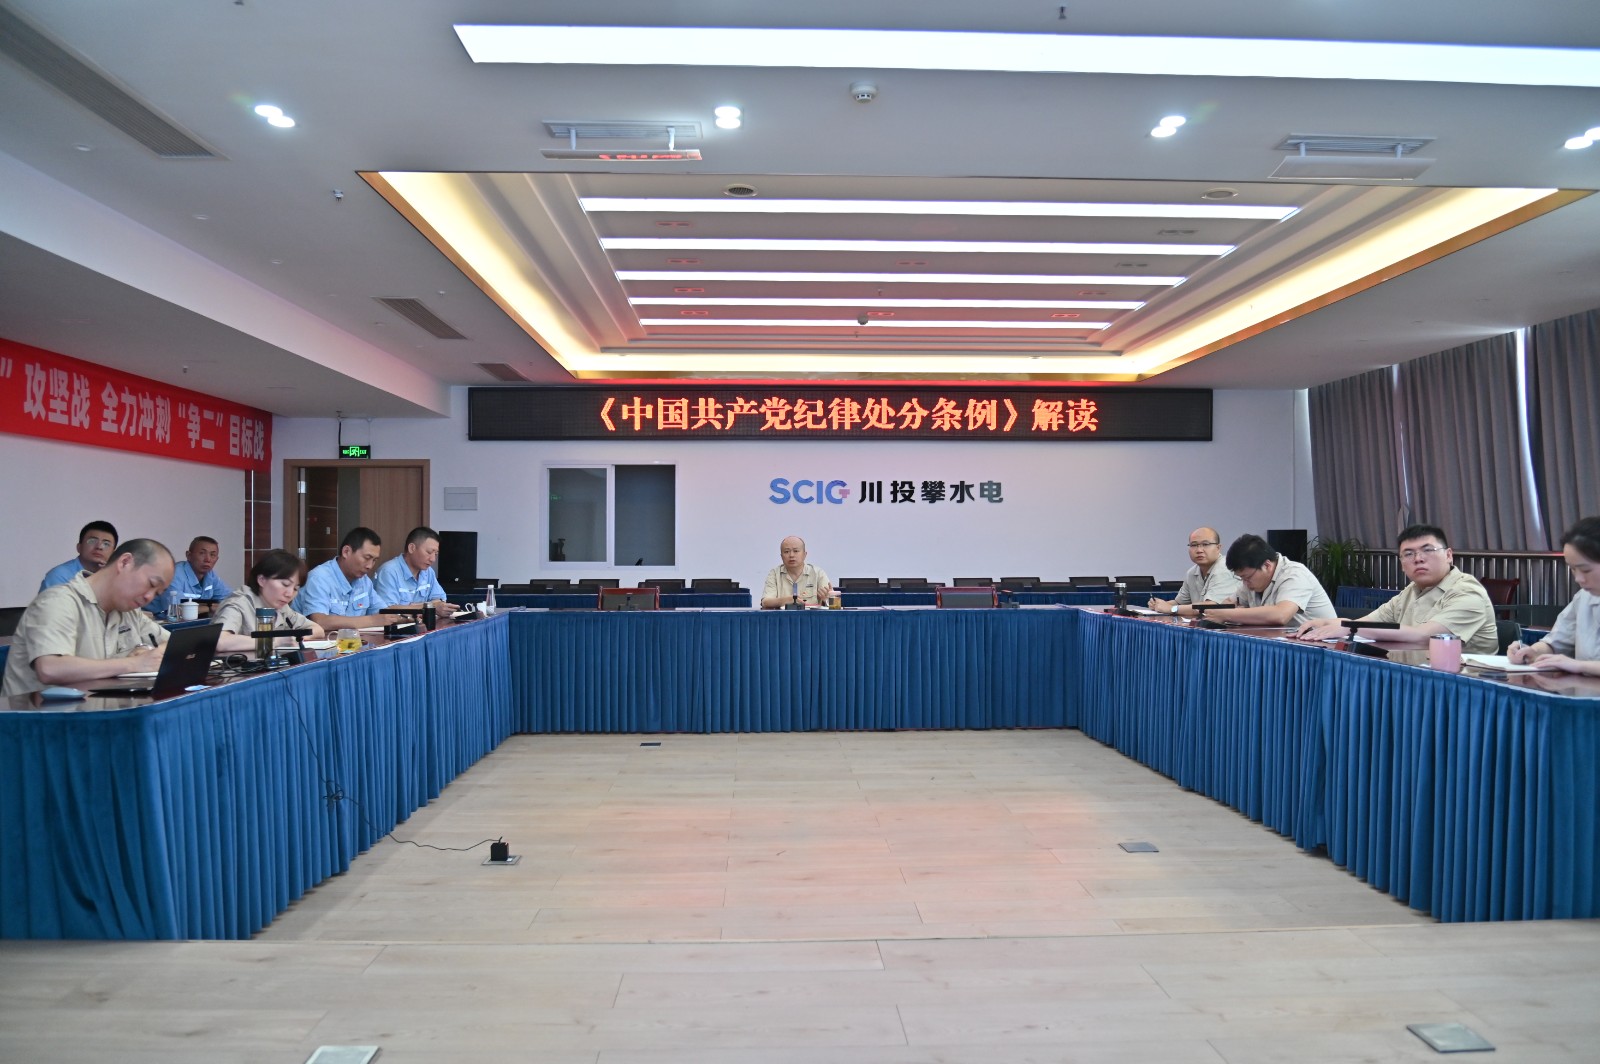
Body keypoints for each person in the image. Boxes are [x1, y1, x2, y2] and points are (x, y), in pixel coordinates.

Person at [1293, 524, 1497, 652]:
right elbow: (1367, 623)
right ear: (1401, 563)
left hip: (1465, 686)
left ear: (1449, 555)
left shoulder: (1467, 591)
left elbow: (1424, 636)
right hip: (1415, 674)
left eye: (1428, 550)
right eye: (1408, 554)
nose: (1418, 559)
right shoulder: (1411, 591)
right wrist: (1325, 622)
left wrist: (1349, 627)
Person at [1508, 516, 1600, 676]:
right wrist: (1532, 651)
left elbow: (1574, 664)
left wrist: (1581, 666)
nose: (1578, 579)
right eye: (1573, 569)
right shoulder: (1584, 598)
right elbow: (1556, 643)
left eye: (1585, 570)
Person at [292, 526, 407, 632]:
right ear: (346, 552)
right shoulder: (319, 578)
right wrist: (372, 620)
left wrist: (410, 617)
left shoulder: (364, 581)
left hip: (352, 643)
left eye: (374, 560)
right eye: (367, 558)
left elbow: (383, 613)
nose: (370, 566)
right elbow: (320, 621)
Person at [213, 549, 325, 654]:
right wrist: (275, 641)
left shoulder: (282, 607)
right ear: (261, 580)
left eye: (296, 588)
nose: (290, 594)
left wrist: (294, 638)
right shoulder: (238, 603)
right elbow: (220, 641)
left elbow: (318, 630)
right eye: (285, 584)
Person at [1219, 533, 1337, 627]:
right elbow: (1229, 602)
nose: (1245, 583)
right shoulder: (1252, 580)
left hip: (1320, 645)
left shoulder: (1295, 574)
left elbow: (1281, 615)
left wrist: (1228, 614)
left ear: (1267, 565)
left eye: (1247, 577)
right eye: (1241, 578)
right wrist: (1225, 609)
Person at [1147, 526, 1243, 617]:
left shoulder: (1225, 568)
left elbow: (1210, 607)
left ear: (1218, 548)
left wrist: (1171, 609)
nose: (1199, 550)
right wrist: (1159, 604)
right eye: (1194, 545)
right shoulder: (1192, 572)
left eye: (1205, 544)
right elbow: (1179, 603)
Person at [372, 526, 460, 618]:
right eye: (429, 552)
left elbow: (440, 600)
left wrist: (414, 607)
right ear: (412, 548)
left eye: (436, 554)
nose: (433, 559)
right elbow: (388, 611)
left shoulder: (428, 572)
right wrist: (428, 606)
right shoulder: (388, 572)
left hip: (420, 625)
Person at [147, 536, 234, 616]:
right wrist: (210, 608)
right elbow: (176, 610)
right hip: (158, 622)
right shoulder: (173, 574)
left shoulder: (210, 575)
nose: (208, 559)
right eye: (202, 553)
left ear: (217, 559)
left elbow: (232, 601)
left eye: (212, 555)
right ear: (189, 555)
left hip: (192, 623)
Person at [38, 520, 118, 591]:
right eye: (92, 541)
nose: (99, 547)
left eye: (106, 544)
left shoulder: (116, 578)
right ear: (79, 547)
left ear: (114, 553)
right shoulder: (60, 575)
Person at [759, 535, 833, 609]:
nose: (791, 555)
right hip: (783, 616)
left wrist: (826, 599)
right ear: (781, 556)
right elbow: (765, 602)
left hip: (810, 616)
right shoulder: (775, 574)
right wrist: (787, 600)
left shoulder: (818, 573)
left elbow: (832, 602)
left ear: (805, 554)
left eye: (796, 551)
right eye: (786, 551)